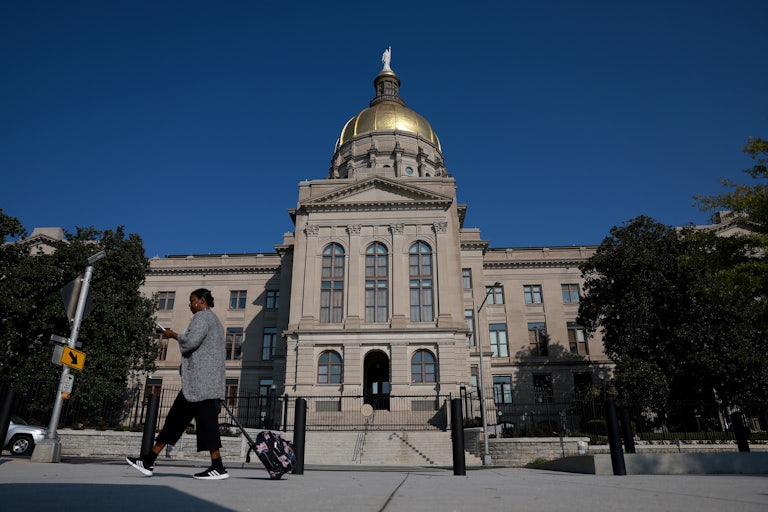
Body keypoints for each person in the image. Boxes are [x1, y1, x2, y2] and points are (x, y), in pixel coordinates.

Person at [126, 288, 228, 480]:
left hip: (201, 384)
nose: (189, 305)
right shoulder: (212, 319)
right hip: (200, 385)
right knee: (175, 421)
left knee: (207, 425)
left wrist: (172, 335)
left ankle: (218, 467)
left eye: (192, 301)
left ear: (202, 301)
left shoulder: (202, 318)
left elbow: (190, 341)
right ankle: (148, 460)